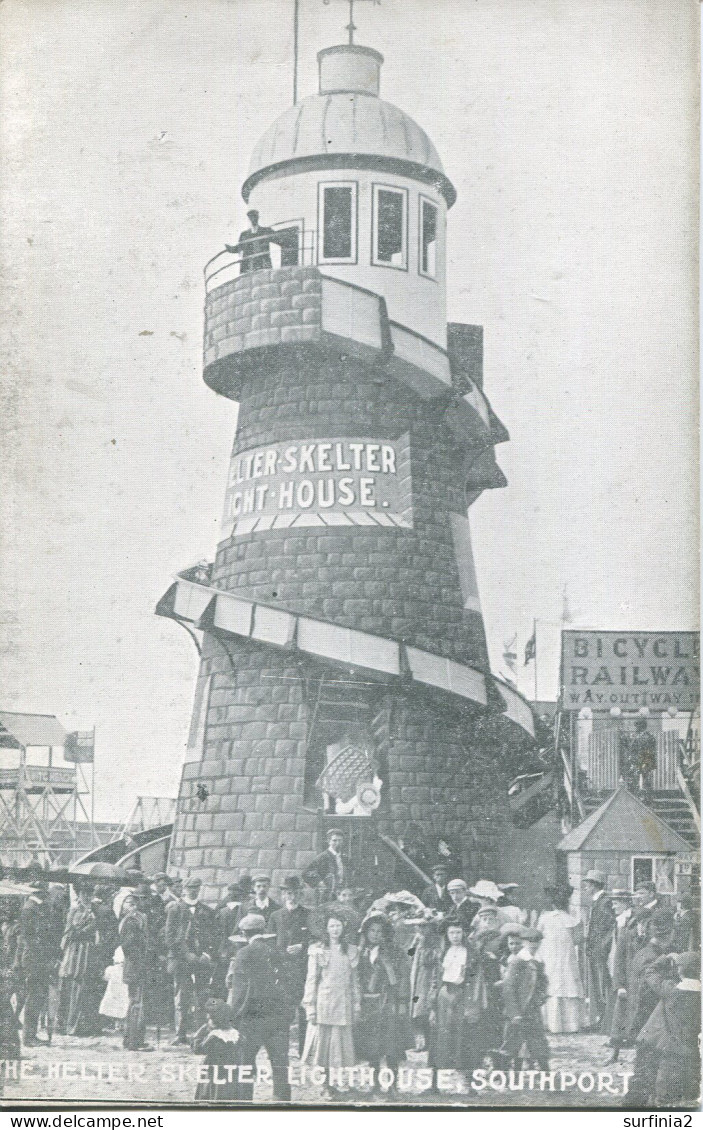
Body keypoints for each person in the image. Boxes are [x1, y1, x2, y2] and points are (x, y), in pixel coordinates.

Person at [228, 913, 294, 1102]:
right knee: (280, 1062)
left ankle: (244, 1101)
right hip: (277, 1017)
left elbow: (239, 992)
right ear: (263, 932)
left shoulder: (243, 954)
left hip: (252, 1018)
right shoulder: (275, 952)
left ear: (244, 933)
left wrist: (233, 1018)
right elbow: (287, 983)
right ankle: (282, 1100)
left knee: (245, 1063)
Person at [628, 951, 701, 1108]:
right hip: (687, 1048)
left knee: (646, 1083)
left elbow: (650, 971)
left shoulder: (670, 989)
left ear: (680, 970)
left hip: (657, 1043)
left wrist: (666, 958)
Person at [302, 905, 360, 1092]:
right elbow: (312, 979)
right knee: (324, 1046)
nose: (335, 930)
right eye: (332, 926)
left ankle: (341, 1081)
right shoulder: (318, 950)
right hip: (325, 1003)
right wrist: (310, 1006)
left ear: (343, 928)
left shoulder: (350, 950)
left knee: (341, 1045)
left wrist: (357, 1003)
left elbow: (354, 981)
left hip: (343, 1003)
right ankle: (326, 1084)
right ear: (326, 929)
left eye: (338, 926)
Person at [355, 911, 409, 1080]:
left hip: (388, 1002)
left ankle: (393, 1084)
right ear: (366, 932)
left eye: (379, 931)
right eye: (372, 931)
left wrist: (402, 1001)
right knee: (372, 1047)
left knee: (391, 1046)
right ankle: (375, 1084)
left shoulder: (395, 951)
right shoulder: (361, 952)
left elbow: (402, 977)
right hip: (368, 1004)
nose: (376, 935)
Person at [165, 876, 217, 1044]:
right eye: (190, 888)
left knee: (202, 996)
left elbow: (213, 936)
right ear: (184, 890)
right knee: (182, 997)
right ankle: (180, 1034)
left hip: (201, 961)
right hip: (181, 961)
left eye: (197, 887)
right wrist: (187, 954)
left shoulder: (207, 911)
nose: (193, 890)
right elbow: (170, 938)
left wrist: (207, 954)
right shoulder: (175, 910)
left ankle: (201, 1033)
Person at [429, 920, 483, 1078]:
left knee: (464, 1036)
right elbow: (435, 979)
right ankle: (435, 1082)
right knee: (441, 1036)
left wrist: (472, 1005)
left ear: (464, 933)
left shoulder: (471, 953)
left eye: (458, 932)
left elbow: (476, 980)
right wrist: (432, 1006)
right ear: (447, 934)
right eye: (452, 933)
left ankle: (468, 1082)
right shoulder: (442, 952)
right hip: (444, 997)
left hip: (462, 996)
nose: (455, 936)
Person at [621, 908, 677, 1045]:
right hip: (647, 1024)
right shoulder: (653, 957)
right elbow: (648, 993)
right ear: (669, 933)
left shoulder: (645, 952)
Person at [268, 876, 310, 1058]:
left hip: (303, 970)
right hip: (283, 970)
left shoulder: (308, 915)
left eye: (295, 893)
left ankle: (303, 1050)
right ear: (283, 895)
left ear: (300, 895)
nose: (291, 897)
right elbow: (269, 942)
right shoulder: (276, 916)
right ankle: (281, 1051)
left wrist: (303, 946)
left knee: (304, 1012)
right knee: (283, 1012)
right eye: (288, 893)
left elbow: (316, 939)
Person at [536, 882, 585, 1034]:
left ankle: (551, 1023)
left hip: (549, 954)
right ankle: (570, 1024)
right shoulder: (572, 920)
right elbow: (578, 939)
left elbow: (538, 935)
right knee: (566, 981)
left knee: (552, 981)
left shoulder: (545, 918)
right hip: (565, 955)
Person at [499, 926, 550, 1070]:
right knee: (511, 1046)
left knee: (539, 1046)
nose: (534, 945)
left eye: (537, 942)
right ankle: (505, 1078)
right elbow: (509, 988)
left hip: (532, 1011)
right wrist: (514, 1013)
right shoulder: (518, 961)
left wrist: (542, 996)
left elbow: (542, 982)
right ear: (524, 942)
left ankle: (549, 1081)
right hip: (519, 1011)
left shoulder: (537, 962)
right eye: (530, 941)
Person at [19, 876, 56, 1046]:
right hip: (34, 958)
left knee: (38, 996)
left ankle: (31, 1035)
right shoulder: (30, 909)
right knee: (34, 997)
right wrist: (45, 956)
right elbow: (31, 938)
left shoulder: (38, 907)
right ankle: (28, 1037)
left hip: (39, 958)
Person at [119, 886, 151, 1050]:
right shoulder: (132, 921)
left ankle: (132, 1039)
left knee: (136, 1003)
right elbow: (129, 946)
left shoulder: (137, 919)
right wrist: (142, 959)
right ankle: (133, 1041)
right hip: (135, 966)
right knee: (136, 1004)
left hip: (136, 966)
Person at [192, 998, 243, 1103]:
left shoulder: (214, 1036)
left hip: (213, 1070)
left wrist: (201, 1033)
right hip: (231, 1070)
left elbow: (197, 1049)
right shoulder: (235, 1034)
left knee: (211, 1095)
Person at [581, 870, 614, 1029]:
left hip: (601, 953)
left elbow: (606, 930)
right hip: (595, 951)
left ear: (594, 885)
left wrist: (600, 950)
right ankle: (602, 1020)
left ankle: (605, 1021)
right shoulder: (598, 901)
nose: (585, 887)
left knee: (602, 987)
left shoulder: (604, 902)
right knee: (598, 987)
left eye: (587, 884)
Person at [607, 888, 634, 1060]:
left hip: (628, 972)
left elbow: (624, 953)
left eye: (616, 902)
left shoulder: (630, 921)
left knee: (625, 1013)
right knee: (618, 1014)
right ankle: (614, 1052)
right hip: (621, 972)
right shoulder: (621, 921)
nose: (613, 905)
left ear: (625, 903)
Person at [303, 829, 348, 899]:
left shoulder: (344, 857)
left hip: (341, 895)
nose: (338, 843)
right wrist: (320, 883)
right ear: (328, 841)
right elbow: (306, 873)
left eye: (340, 840)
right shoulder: (323, 857)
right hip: (326, 896)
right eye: (334, 840)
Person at [630, 719, 657, 793]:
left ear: (641, 726)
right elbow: (632, 748)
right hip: (638, 760)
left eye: (637, 726)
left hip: (646, 759)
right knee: (635, 778)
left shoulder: (649, 736)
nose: (636, 728)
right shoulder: (636, 736)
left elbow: (652, 750)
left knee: (646, 779)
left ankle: (647, 796)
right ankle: (636, 794)